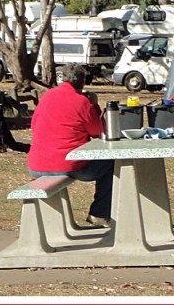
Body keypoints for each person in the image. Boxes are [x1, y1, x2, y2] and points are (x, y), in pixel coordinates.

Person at [27, 63, 114, 227]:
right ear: (83, 82)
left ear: (62, 79)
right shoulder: (82, 102)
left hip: (37, 164)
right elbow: (97, 131)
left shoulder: (47, 96)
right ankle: (99, 213)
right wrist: (94, 104)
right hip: (70, 165)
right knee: (112, 164)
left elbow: (34, 125)